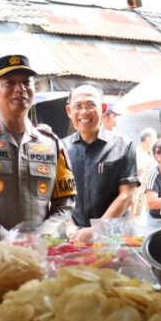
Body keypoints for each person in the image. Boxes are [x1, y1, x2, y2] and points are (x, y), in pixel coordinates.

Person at [0, 55, 76, 237]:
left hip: (39, 252)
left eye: (26, 82)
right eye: (9, 83)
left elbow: (65, 202)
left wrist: (43, 237)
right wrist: (7, 240)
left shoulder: (52, 143)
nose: (20, 89)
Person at [65, 83, 138, 243]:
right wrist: (70, 228)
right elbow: (56, 198)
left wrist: (96, 231)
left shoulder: (124, 146)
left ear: (103, 108)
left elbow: (127, 196)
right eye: (78, 106)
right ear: (69, 111)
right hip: (73, 237)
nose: (84, 112)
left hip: (113, 238)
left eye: (91, 105)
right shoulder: (61, 148)